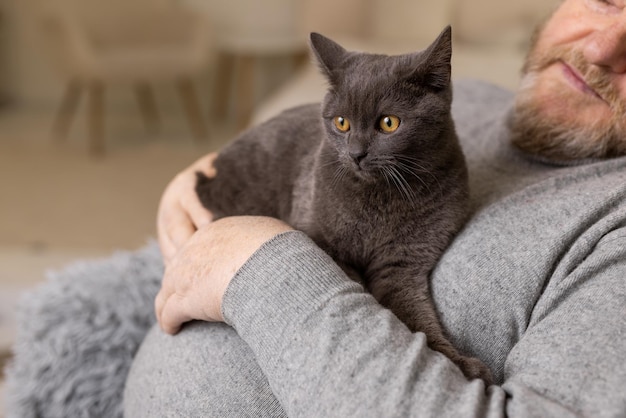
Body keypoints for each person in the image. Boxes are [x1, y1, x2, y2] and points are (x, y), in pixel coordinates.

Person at [6, 0, 626, 416]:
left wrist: (257, 262)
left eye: (384, 125)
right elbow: (313, 132)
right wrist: (197, 182)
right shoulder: (487, 104)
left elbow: (393, 275)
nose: (602, 46)